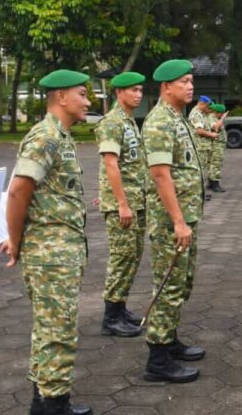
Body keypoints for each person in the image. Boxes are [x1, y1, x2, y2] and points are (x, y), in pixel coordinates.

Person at [0, 69, 92, 415]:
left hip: (58, 249)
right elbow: (19, 190)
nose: (87, 100)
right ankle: (55, 405)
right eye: (82, 94)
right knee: (58, 330)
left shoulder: (61, 136)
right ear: (61, 97)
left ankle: (42, 402)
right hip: (51, 254)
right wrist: (14, 238)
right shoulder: (46, 137)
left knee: (48, 326)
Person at [142, 59, 205, 383]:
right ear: (167, 87)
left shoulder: (177, 118)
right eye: (184, 81)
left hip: (185, 218)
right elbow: (160, 174)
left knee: (181, 284)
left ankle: (170, 340)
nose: (190, 86)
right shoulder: (159, 122)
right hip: (171, 223)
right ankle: (157, 360)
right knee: (167, 286)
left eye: (191, 80)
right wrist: (179, 222)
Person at [95, 71, 148, 339]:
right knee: (121, 257)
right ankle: (110, 316)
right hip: (123, 205)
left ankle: (120, 306)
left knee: (133, 256)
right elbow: (110, 163)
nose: (138, 95)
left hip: (136, 200)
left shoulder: (128, 121)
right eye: (133, 90)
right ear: (119, 92)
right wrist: (120, 203)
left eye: (140, 90)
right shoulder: (112, 122)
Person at [188, 95, 216, 201]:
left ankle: (201, 193)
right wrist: (211, 135)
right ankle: (199, 194)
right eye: (207, 105)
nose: (208, 108)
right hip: (199, 147)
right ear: (202, 103)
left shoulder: (201, 114)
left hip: (202, 146)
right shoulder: (196, 114)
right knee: (199, 170)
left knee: (201, 170)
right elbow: (199, 131)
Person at [208, 103, 228, 192]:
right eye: (221, 113)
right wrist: (223, 118)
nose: (222, 115)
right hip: (217, 144)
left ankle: (211, 183)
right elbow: (216, 127)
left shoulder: (215, 118)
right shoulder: (212, 118)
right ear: (218, 113)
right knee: (216, 164)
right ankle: (215, 185)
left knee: (213, 164)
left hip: (219, 144)